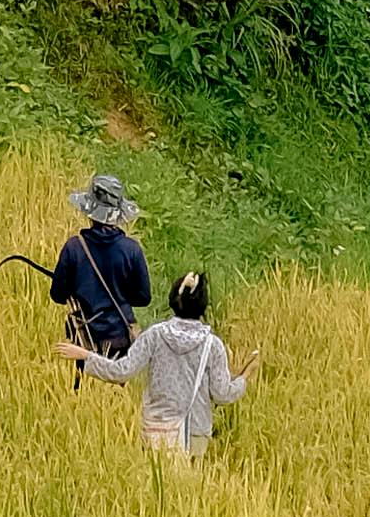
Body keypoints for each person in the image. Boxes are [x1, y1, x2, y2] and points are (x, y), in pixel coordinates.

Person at [86, 269, 253, 466]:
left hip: (157, 429)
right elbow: (222, 394)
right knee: (187, 493)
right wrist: (245, 375)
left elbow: (122, 371)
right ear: (203, 305)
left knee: (157, 488)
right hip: (195, 431)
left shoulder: (154, 335)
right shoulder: (212, 345)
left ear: (173, 300)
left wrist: (86, 357)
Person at [47, 171, 152, 368]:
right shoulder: (132, 250)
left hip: (83, 338)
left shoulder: (74, 247)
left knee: (85, 392)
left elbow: (58, 295)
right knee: (115, 391)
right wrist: (120, 292)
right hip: (120, 338)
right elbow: (144, 298)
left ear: (90, 211)